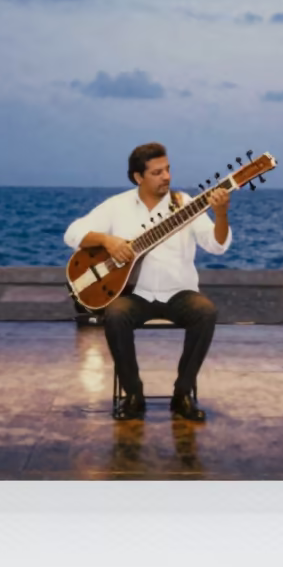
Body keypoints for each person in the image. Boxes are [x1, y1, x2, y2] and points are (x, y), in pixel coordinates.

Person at [64, 142, 233, 421]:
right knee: (115, 315)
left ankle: (182, 394)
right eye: (156, 172)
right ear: (138, 177)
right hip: (136, 295)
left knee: (206, 312)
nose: (166, 177)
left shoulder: (186, 205)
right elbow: (73, 234)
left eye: (167, 170)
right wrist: (107, 240)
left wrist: (222, 213)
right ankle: (133, 395)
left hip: (179, 293)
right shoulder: (116, 206)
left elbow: (217, 246)